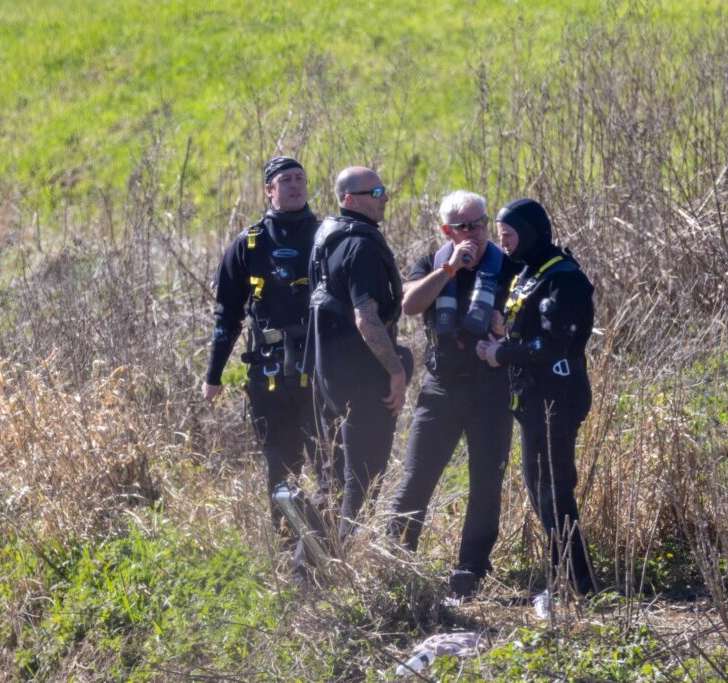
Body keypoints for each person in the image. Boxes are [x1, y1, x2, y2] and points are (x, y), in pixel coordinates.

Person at [387, 190, 521, 598]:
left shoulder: (509, 267)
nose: (475, 233)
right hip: (442, 385)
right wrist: (449, 269)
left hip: (491, 387)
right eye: (464, 227)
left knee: (486, 483)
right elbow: (410, 304)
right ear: (448, 231)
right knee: (416, 478)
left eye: (480, 224)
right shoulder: (432, 262)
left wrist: (505, 328)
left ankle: (470, 572)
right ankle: (396, 564)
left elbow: (530, 325)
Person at [476, 198, 597, 603]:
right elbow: (528, 328)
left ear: (530, 233)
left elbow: (552, 344)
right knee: (540, 489)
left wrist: (502, 353)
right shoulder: (529, 271)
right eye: (501, 236)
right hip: (533, 398)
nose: (504, 244)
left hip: (557, 397)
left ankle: (574, 584)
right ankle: (573, 580)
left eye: (509, 235)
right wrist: (504, 332)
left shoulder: (564, 277)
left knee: (552, 491)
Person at [202, 156, 328, 535]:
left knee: (330, 467)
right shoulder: (249, 244)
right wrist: (213, 376)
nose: (295, 185)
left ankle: (331, 547)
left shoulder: (328, 236)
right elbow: (227, 316)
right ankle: (289, 548)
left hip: (320, 375)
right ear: (269, 190)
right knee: (279, 469)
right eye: (286, 180)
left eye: (300, 178)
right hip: (269, 378)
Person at [306, 165, 409, 544]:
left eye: (383, 190)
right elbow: (366, 318)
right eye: (376, 193)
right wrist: (396, 370)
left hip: (327, 379)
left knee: (334, 480)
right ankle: (348, 563)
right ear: (350, 200)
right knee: (363, 480)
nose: (385, 198)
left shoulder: (326, 239)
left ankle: (310, 564)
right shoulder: (361, 246)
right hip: (362, 383)